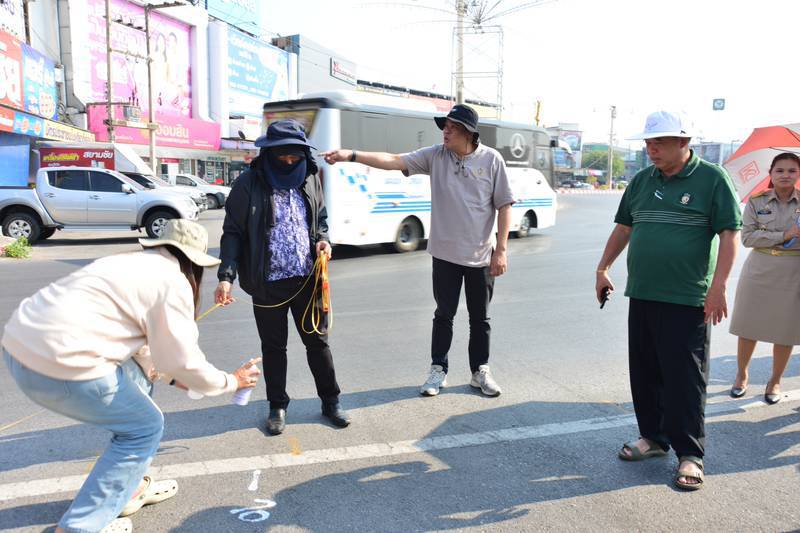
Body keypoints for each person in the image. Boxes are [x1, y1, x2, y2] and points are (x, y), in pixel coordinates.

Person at [1, 219, 262, 533]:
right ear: (194, 262)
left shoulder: (125, 262)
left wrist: (175, 378)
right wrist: (231, 382)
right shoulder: (173, 281)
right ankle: (80, 527)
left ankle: (129, 487)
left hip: (17, 347)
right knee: (144, 427)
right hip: (65, 364)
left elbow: (150, 357)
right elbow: (182, 361)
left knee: (140, 385)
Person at [321, 104, 515, 397]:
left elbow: (504, 205)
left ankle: (480, 371)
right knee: (444, 315)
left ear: (468, 133)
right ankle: (438, 370)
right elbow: (394, 160)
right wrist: (351, 155)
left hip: (481, 256)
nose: (445, 132)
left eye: (451, 127)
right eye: (444, 126)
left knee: (480, 319)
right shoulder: (436, 156)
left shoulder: (491, 160)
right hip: (445, 255)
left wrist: (501, 251)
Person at [594, 111, 742, 491]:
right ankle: (654, 438)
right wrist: (603, 267)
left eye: (659, 142)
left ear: (683, 142)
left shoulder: (712, 179)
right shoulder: (642, 180)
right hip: (643, 293)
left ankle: (690, 453)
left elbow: (730, 234)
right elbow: (624, 227)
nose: (651, 149)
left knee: (685, 378)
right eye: (648, 143)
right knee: (645, 371)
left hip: (688, 297)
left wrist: (719, 286)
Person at [216, 119, 350, 436]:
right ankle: (277, 405)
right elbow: (232, 233)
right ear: (269, 153)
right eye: (283, 155)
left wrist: (323, 240)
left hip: (307, 280)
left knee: (318, 344)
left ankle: (331, 401)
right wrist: (226, 276)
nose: (289, 161)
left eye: (294, 155)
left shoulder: (310, 176)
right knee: (274, 348)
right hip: (267, 283)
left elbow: (320, 219)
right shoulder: (248, 184)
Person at [729, 152, 800, 404]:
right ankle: (742, 374)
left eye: (792, 170)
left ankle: (775, 380)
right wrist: (784, 235)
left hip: (793, 271)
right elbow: (748, 238)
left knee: (785, 331)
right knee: (748, 326)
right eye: (780, 170)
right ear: (770, 173)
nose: (785, 175)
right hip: (759, 269)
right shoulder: (756, 201)